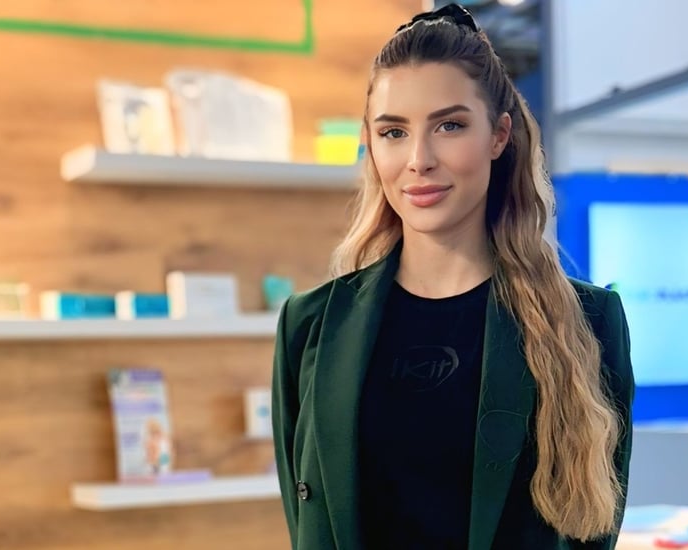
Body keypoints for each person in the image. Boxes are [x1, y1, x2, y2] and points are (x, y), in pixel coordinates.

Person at [271, 4, 634, 549]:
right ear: (371, 145)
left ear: (498, 135)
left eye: (449, 125)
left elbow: (593, 531)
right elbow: (309, 526)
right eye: (394, 131)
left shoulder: (587, 323)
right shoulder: (311, 326)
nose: (419, 159)